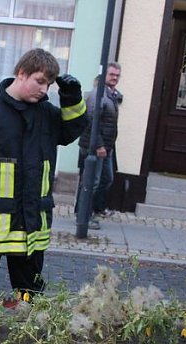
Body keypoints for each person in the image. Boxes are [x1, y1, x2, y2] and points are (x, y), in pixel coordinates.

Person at [0, 48, 87, 297]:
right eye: (40, 81)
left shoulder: (47, 114)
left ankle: (26, 335)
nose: (44, 90)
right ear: (22, 73)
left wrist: (72, 97)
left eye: (49, 84)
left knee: (31, 297)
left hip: (31, 227)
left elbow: (72, 129)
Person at [77, 62, 122, 230]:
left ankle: (91, 211)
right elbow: (90, 122)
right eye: (112, 74)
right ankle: (84, 217)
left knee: (107, 179)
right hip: (95, 147)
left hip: (106, 148)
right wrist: (99, 145)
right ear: (104, 75)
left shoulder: (110, 94)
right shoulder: (99, 94)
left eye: (117, 75)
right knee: (91, 182)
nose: (115, 78)